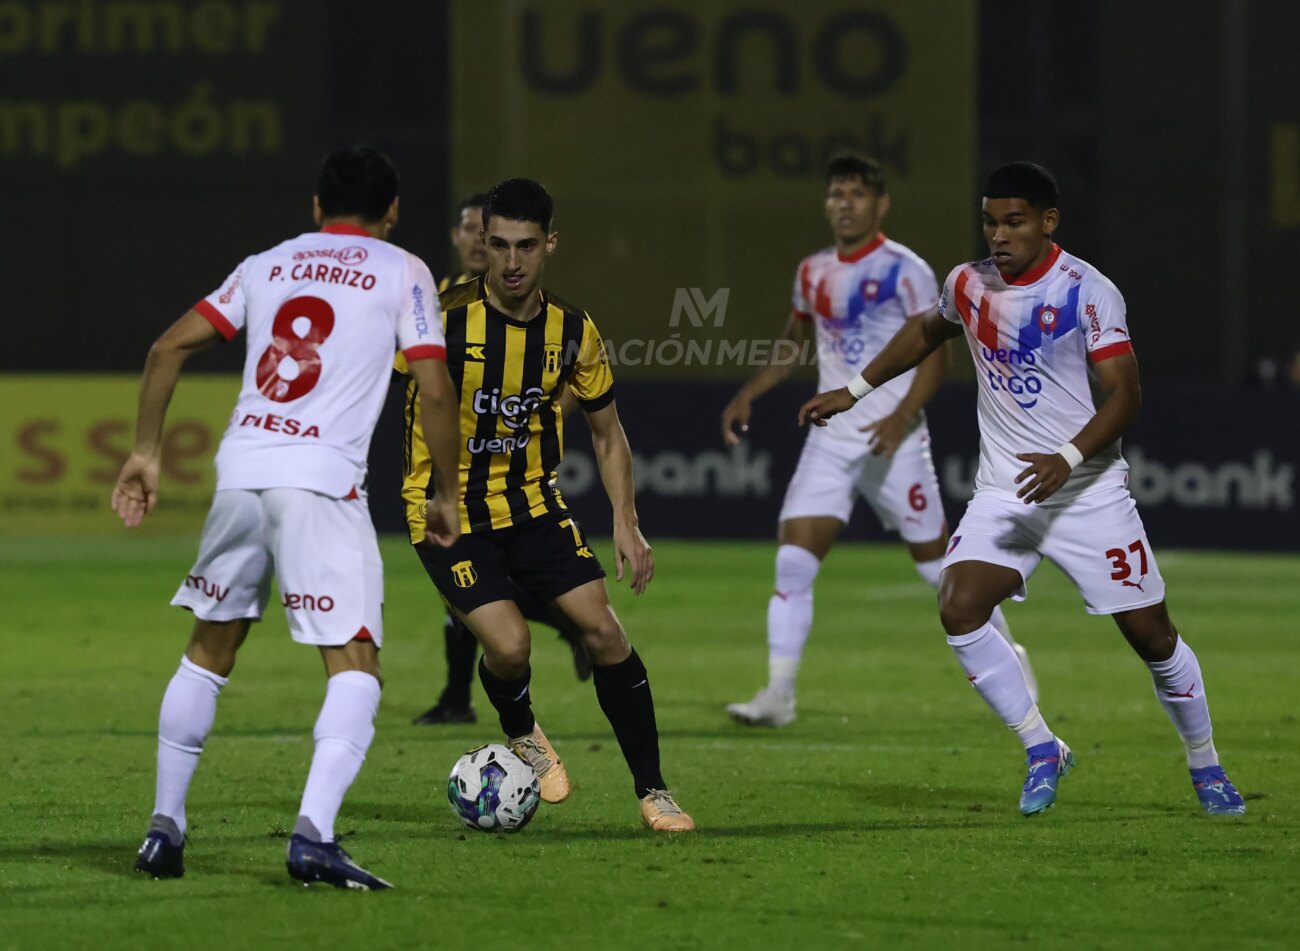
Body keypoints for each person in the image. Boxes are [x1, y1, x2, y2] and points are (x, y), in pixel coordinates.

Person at [799, 161, 1246, 817]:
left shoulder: (1086, 290)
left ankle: (1206, 764)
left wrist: (1068, 457)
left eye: (1013, 222)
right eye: (989, 221)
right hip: (1008, 491)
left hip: (1087, 491)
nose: (998, 235)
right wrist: (854, 389)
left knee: (1152, 636)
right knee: (959, 605)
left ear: (1047, 222)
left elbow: (1126, 395)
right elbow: (927, 328)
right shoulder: (968, 283)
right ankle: (1042, 746)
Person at [112, 145, 462, 889]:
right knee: (356, 664)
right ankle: (314, 835)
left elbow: (166, 346)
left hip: (242, 472)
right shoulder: (404, 271)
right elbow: (433, 386)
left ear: (316, 207)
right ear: (392, 212)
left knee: (208, 649)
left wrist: (146, 452)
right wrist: (446, 492)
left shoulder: (266, 263)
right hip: (321, 482)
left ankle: (164, 828)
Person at [410, 177, 694, 831]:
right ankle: (522, 729)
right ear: (484, 243)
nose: (512, 261)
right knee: (510, 648)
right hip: (448, 511)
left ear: (550, 245)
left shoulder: (572, 330)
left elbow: (607, 430)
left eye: (527, 246)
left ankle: (654, 790)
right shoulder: (442, 322)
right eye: (500, 244)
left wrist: (628, 519)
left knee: (603, 629)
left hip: (534, 504)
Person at [723, 153, 1035, 728]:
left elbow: (937, 353)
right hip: (831, 437)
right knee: (793, 561)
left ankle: (1011, 658)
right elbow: (794, 341)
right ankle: (778, 695)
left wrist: (901, 418)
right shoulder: (812, 269)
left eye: (857, 194)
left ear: (880, 204)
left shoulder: (905, 268)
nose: (846, 204)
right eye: (837, 193)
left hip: (894, 440)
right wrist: (751, 391)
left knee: (939, 568)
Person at [403, 193, 590, 727]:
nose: (468, 238)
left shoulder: (541, 311)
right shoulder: (438, 301)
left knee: (482, 597)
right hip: (447, 486)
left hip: (506, 483)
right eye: (464, 229)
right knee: (470, 597)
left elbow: (575, 373)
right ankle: (461, 693)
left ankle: (459, 697)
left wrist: (538, 416)